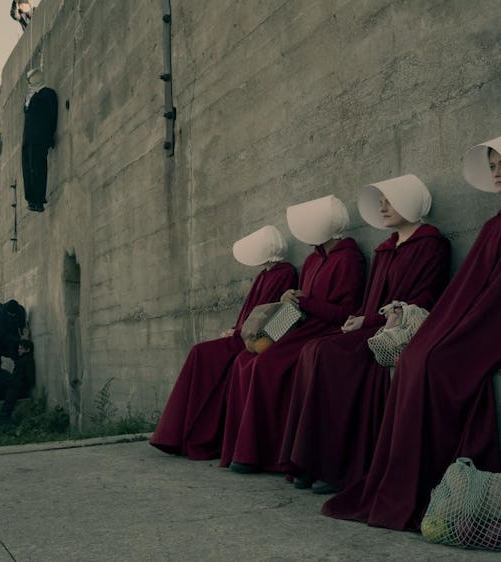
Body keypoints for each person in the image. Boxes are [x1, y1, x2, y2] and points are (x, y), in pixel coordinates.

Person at [322, 128, 501, 531]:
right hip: (484, 320)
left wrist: (472, 328)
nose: (495, 171)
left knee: (439, 363)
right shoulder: (496, 223)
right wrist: (446, 325)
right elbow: (469, 286)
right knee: (416, 357)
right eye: (492, 165)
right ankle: (405, 485)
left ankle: (428, 485)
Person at [279, 175, 451, 494]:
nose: (383, 207)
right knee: (313, 350)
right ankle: (307, 459)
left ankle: (333, 465)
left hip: (397, 330)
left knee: (327, 353)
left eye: (390, 201)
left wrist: (363, 320)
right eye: (382, 202)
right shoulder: (385, 249)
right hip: (365, 326)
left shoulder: (431, 245)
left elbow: (421, 302)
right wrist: (358, 319)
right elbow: (369, 300)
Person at [220, 195, 365, 473]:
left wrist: (303, 301)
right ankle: (243, 449)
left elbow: (344, 312)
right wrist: (290, 299)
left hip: (324, 328)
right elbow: (301, 302)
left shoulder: (349, 258)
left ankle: (264, 455)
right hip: (297, 323)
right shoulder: (312, 260)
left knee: (266, 365)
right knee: (245, 359)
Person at [150, 225, 298, 459]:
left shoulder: (284, 272)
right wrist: (235, 328)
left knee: (202, 353)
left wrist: (240, 332)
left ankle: (188, 434)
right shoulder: (264, 274)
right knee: (200, 352)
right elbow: (249, 311)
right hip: (242, 335)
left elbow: (269, 314)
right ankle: (176, 434)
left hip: (254, 339)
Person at [22, 68, 58, 212]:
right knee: (27, 168)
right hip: (28, 138)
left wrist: (50, 136)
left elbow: (52, 116)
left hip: (40, 137)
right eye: (30, 77)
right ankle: (31, 199)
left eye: (34, 76)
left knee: (38, 168)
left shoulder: (48, 94)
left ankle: (38, 199)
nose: (32, 79)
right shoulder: (29, 96)